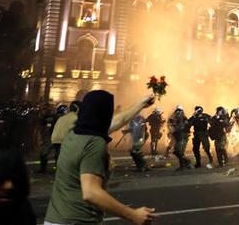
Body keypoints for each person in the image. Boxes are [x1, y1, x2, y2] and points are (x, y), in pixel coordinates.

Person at [44, 90, 157, 225]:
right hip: (78, 220)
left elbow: (115, 122)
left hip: (55, 219)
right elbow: (91, 192)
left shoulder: (74, 133)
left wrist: (141, 104)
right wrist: (133, 215)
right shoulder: (95, 142)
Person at [38, 104, 66, 174]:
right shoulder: (56, 117)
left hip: (57, 138)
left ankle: (45, 169)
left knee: (52, 154)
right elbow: (44, 122)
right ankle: (46, 169)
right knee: (53, 154)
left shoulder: (57, 117)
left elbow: (44, 122)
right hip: (56, 137)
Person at [168, 106, 193, 170]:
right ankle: (187, 162)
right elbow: (171, 126)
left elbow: (187, 127)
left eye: (179, 112)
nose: (178, 113)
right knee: (176, 151)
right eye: (177, 111)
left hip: (183, 137)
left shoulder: (184, 119)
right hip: (178, 137)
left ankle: (183, 165)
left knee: (179, 151)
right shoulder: (173, 119)